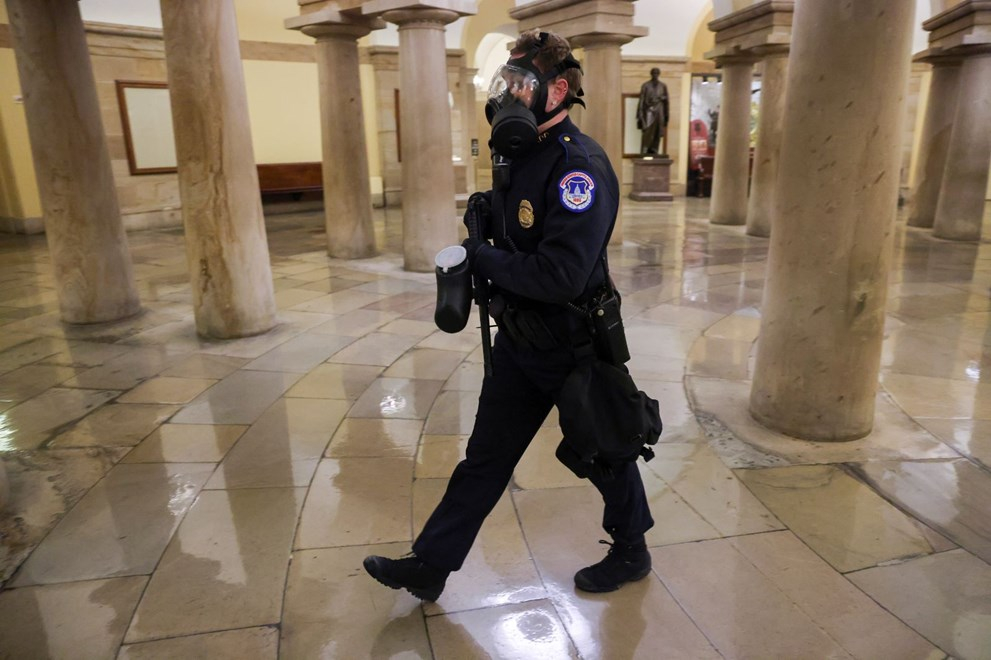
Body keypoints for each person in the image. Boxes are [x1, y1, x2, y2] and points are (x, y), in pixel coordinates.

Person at [363, 29, 654, 602]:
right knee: (485, 459)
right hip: (522, 341)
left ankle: (631, 549)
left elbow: (559, 274)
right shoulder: (520, 153)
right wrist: (485, 219)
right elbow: (520, 232)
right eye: (509, 84)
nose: (511, 97)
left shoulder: (578, 168)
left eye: (524, 85)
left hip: (572, 341)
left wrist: (483, 256)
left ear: (559, 90)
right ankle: (431, 565)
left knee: (604, 450)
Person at [636, 67, 669, 155]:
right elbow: (642, 100)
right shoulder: (646, 85)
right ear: (651, 74)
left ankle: (654, 150)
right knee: (647, 131)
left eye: (657, 73)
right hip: (648, 111)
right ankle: (645, 150)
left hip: (659, 111)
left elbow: (666, 102)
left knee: (657, 132)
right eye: (654, 73)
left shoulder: (663, 86)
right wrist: (639, 115)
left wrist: (666, 116)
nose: (655, 75)